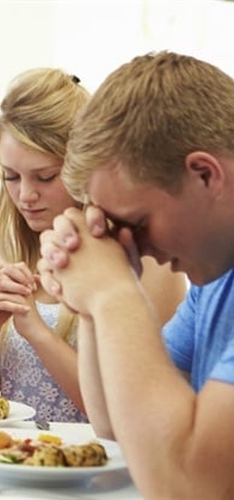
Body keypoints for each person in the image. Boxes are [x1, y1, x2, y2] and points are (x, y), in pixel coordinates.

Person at [36, 50, 234, 498]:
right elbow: (119, 427)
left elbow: (188, 486)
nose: (134, 244)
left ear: (205, 175)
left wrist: (112, 294)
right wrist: (87, 299)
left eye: (135, 223)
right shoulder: (217, 274)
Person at [0, 68, 186, 424]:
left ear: (83, 170)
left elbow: (130, 415)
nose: (25, 196)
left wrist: (37, 331)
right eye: (10, 177)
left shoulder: (148, 262)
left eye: (44, 177)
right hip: (11, 460)